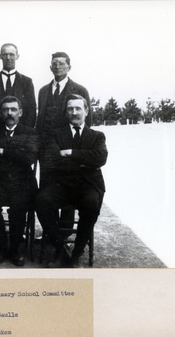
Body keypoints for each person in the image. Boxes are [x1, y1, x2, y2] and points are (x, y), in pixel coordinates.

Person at [35, 94, 108, 268]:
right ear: (65, 112)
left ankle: (77, 251)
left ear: (86, 111)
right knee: (42, 200)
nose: (74, 112)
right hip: (62, 185)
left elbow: (100, 158)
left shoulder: (97, 136)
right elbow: (54, 160)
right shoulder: (55, 135)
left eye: (78, 108)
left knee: (91, 204)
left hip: (88, 186)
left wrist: (70, 153)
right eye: (70, 109)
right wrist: (85, 162)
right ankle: (60, 247)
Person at [0, 96, 38, 266]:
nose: (9, 113)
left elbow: (30, 158)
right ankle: (2, 247)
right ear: (0, 113)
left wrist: (3, 152)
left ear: (20, 112)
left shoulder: (30, 132)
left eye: (13, 109)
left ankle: (15, 249)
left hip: (21, 182)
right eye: (5, 110)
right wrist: (16, 151)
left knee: (19, 205)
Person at [0, 43, 36, 131]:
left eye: (11, 54)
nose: (8, 58)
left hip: (20, 136)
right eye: (5, 54)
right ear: (0, 56)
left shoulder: (27, 82)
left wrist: (24, 132)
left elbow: (32, 109)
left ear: (17, 56)